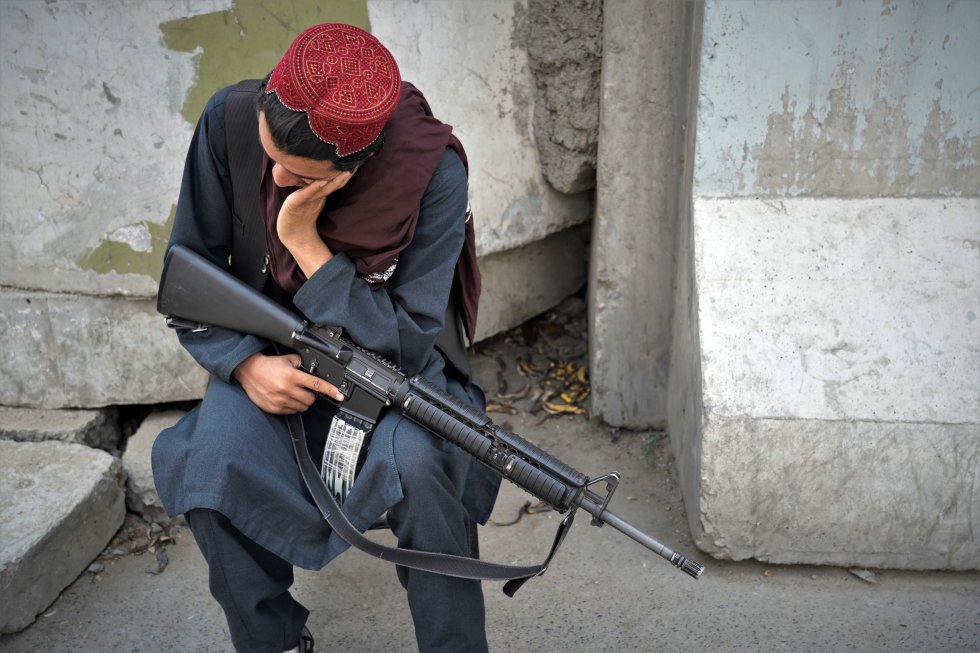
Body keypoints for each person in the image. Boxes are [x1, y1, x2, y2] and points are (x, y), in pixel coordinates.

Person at [152, 23, 499, 653]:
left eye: (301, 174)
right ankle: (273, 639)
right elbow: (190, 263)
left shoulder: (431, 174)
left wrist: (308, 245)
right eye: (273, 158)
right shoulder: (230, 119)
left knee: (423, 468)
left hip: (388, 371)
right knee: (211, 466)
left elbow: (411, 337)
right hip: (269, 357)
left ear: (357, 165)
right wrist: (244, 365)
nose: (277, 179)